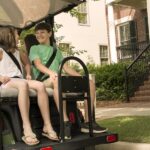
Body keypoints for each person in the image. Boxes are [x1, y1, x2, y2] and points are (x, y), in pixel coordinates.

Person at [29, 22, 107, 139]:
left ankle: (88, 122)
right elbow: (38, 64)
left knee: (89, 83)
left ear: (50, 33)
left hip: (57, 78)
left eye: (42, 32)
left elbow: (66, 67)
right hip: (44, 81)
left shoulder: (56, 51)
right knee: (58, 81)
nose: (39, 35)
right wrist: (51, 73)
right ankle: (65, 123)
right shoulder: (34, 48)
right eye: (37, 33)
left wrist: (81, 77)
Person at [0, 27, 59, 146]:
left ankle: (47, 126)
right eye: (17, 34)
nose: (19, 37)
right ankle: (27, 128)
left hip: (20, 80)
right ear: (9, 36)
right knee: (23, 84)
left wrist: (27, 73)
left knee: (40, 85)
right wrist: (1, 77)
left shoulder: (18, 52)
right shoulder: (0, 50)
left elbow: (27, 63)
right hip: (7, 81)